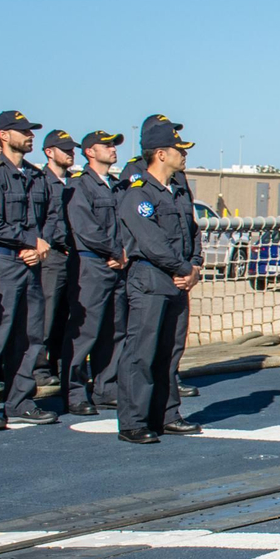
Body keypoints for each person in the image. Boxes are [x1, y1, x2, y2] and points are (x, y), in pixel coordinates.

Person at [0, 110, 60, 429]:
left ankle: (20, 401)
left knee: (30, 335)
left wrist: (39, 243)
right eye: (23, 131)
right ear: (4, 136)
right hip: (1, 263)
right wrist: (28, 241)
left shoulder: (35, 176)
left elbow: (50, 215)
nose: (30, 136)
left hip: (30, 265)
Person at [116, 119, 204, 443]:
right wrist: (183, 268)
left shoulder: (179, 192)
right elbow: (152, 243)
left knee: (170, 352)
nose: (184, 155)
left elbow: (192, 231)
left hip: (178, 281)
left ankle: (166, 414)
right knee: (141, 352)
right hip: (151, 280)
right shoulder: (138, 194)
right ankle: (133, 422)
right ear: (161, 154)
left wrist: (194, 266)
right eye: (179, 150)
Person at [62, 129, 127, 416]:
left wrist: (124, 253)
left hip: (116, 265)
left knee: (115, 330)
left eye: (114, 145)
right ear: (90, 151)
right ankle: (75, 392)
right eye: (107, 145)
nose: (113, 149)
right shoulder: (81, 185)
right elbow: (85, 227)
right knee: (84, 331)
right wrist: (114, 251)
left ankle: (106, 387)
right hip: (92, 264)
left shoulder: (115, 185)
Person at [32, 129, 76, 390]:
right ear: (49, 152)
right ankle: (39, 368)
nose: (70, 153)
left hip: (72, 256)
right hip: (53, 256)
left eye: (72, 150)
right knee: (45, 316)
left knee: (65, 316)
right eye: (65, 149)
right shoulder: (42, 181)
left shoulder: (73, 182)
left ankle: (58, 364)